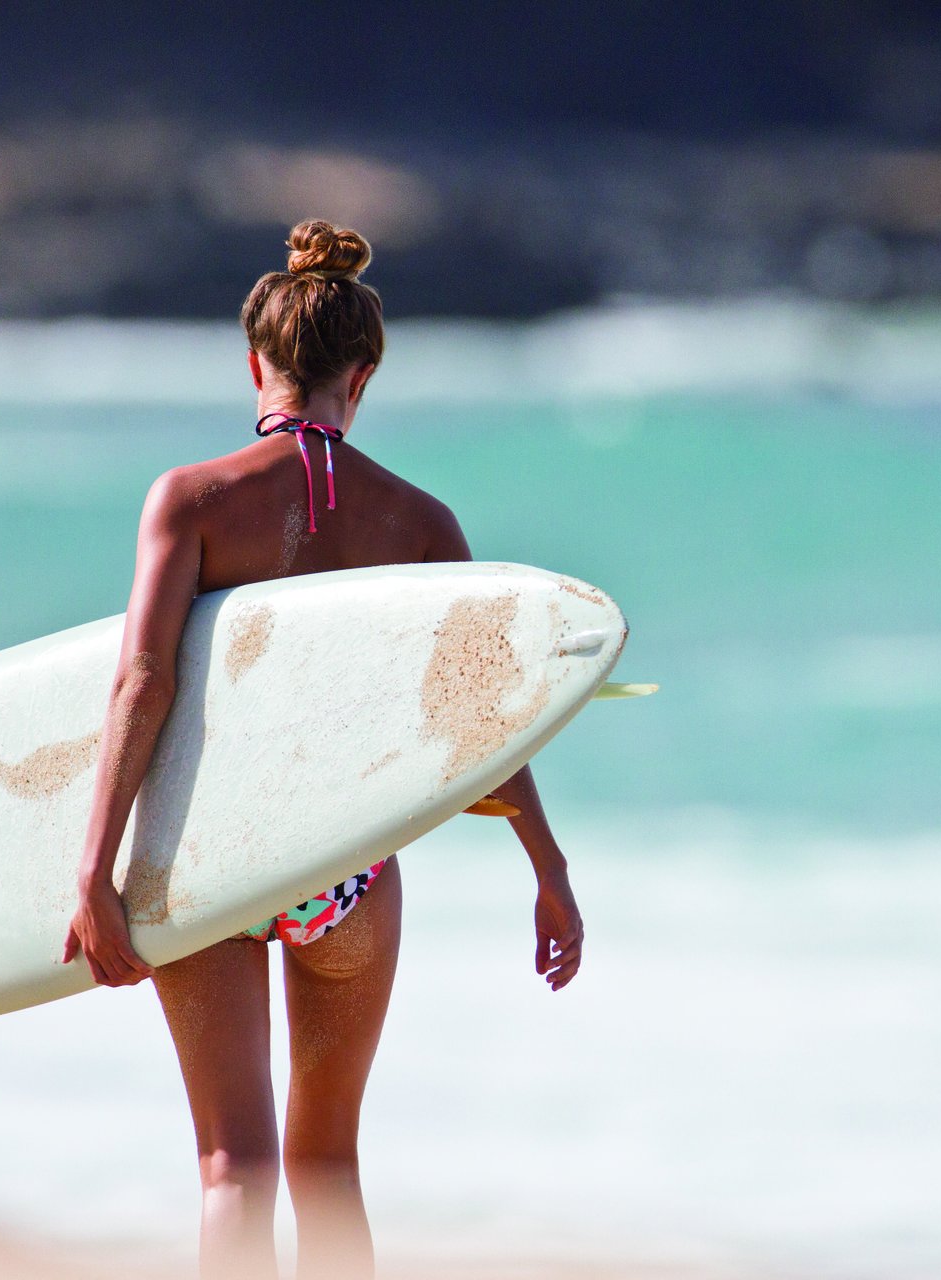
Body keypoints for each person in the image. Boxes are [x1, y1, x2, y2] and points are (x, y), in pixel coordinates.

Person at [60, 219, 585, 1280]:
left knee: (233, 1164)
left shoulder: (192, 500)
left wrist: (95, 869)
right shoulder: (423, 523)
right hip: (345, 877)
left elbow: (144, 680)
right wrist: (548, 865)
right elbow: (484, 720)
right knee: (328, 1163)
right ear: (367, 371)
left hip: (205, 861)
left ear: (255, 361)